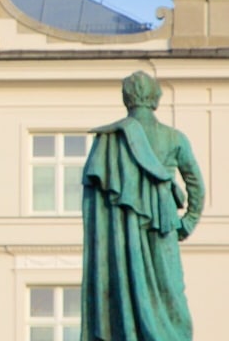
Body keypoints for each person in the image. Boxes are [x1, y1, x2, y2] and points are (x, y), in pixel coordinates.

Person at [81, 71, 205, 340]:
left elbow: (95, 199)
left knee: (127, 283)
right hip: (164, 226)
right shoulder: (175, 138)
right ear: (156, 99)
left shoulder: (110, 139)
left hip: (122, 235)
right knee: (169, 288)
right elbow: (196, 183)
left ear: (126, 99)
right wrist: (190, 220)